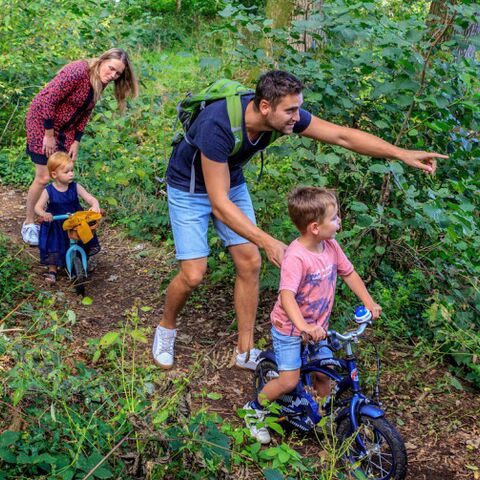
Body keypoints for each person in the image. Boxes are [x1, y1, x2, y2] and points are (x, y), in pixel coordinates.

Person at [152, 70, 446, 371]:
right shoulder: (218, 124)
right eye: (291, 110)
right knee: (193, 274)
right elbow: (219, 203)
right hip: (189, 187)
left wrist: (400, 153)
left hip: (230, 181)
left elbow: (342, 136)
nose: (297, 116)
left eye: (298, 108)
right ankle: (166, 328)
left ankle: (245, 350)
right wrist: (268, 241)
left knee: (249, 262)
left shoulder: (282, 116)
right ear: (265, 107)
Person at [243, 186, 382, 444]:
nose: (339, 221)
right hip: (290, 328)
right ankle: (255, 410)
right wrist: (303, 325)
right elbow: (287, 296)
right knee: (288, 380)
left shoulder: (330, 246)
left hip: (318, 328)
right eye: (334, 218)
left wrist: (369, 302)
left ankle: (318, 414)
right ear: (315, 227)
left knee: (325, 371)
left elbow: (348, 273)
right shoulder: (297, 257)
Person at [22, 48, 138, 246]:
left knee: (63, 170)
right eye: (111, 69)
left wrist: (76, 140)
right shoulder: (78, 71)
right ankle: (30, 223)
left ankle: (53, 219)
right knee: (43, 176)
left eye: (118, 74)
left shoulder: (99, 82)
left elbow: (85, 113)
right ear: (102, 60)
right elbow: (49, 99)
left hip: (66, 127)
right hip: (43, 121)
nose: (112, 76)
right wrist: (48, 135)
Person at [34, 152, 101, 284]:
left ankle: (81, 263)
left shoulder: (75, 187)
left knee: (81, 240)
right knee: (54, 246)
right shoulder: (49, 190)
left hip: (75, 222)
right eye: (66, 172)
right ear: (54, 174)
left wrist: (95, 205)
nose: (71, 174)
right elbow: (38, 207)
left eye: (72, 170)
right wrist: (44, 214)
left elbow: (89, 198)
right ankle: (52, 270)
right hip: (57, 223)